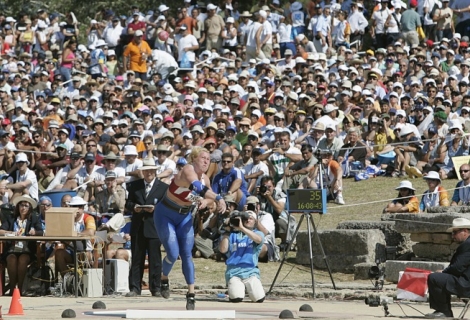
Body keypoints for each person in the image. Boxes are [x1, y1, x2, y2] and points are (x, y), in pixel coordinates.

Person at [154, 147, 227, 310]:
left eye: (209, 159)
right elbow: (198, 188)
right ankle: (164, 278)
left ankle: (191, 294)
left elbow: (208, 200)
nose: (206, 161)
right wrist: (218, 198)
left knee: (187, 254)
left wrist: (207, 202)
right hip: (165, 214)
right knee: (172, 254)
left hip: (184, 216)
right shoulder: (188, 170)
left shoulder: (206, 180)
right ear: (194, 159)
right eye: (203, 158)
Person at [125, 157, 168, 297]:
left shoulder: (163, 187)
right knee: (137, 258)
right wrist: (135, 208)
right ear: (143, 172)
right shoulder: (134, 186)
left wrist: (155, 209)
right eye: (146, 170)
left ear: (155, 171)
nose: (149, 172)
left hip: (154, 227)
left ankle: (155, 288)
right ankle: (135, 288)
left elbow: (166, 206)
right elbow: (128, 203)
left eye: (151, 170)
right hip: (138, 227)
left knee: (155, 259)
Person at [426, 218, 470, 318]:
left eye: (455, 232)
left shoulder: (468, 245)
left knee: (434, 278)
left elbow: (458, 267)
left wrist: (443, 272)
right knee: (440, 277)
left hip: (466, 284)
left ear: (465, 231)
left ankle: (444, 311)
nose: (453, 236)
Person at [219, 210, 265, 303]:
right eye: (245, 218)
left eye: (251, 218)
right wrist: (227, 231)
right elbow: (223, 250)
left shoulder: (258, 233)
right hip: (234, 272)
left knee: (259, 298)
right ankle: (236, 289)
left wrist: (242, 228)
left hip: (251, 272)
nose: (248, 220)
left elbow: (258, 240)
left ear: (255, 222)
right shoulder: (232, 235)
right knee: (236, 298)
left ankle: (247, 289)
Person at [0, 195, 43, 294]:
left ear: (30, 208)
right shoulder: (12, 218)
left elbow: (41, 232)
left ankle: (19, 288)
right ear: (18, 207)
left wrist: (35, 232)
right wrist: (10, 233)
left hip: (27, 249)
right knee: (11, 259)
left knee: (23, 259)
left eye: (26, 206)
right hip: (12, 248)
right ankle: (12, 288)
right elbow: (0, 230)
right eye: (21, 205)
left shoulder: (34, 219)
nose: (23, 208)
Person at [54, 196, 96, 275]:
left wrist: (76, 234)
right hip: (70, 251)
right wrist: (70, 220)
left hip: (86, 250)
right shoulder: (66, 219)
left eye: (79, 206)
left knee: (83, 254)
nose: (77, 209)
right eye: (74, 206)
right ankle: (67, 280)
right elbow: (61, 234)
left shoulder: (88, 218)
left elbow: (90, 232)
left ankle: (82, 280)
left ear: (83, 208)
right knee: (59, 253)